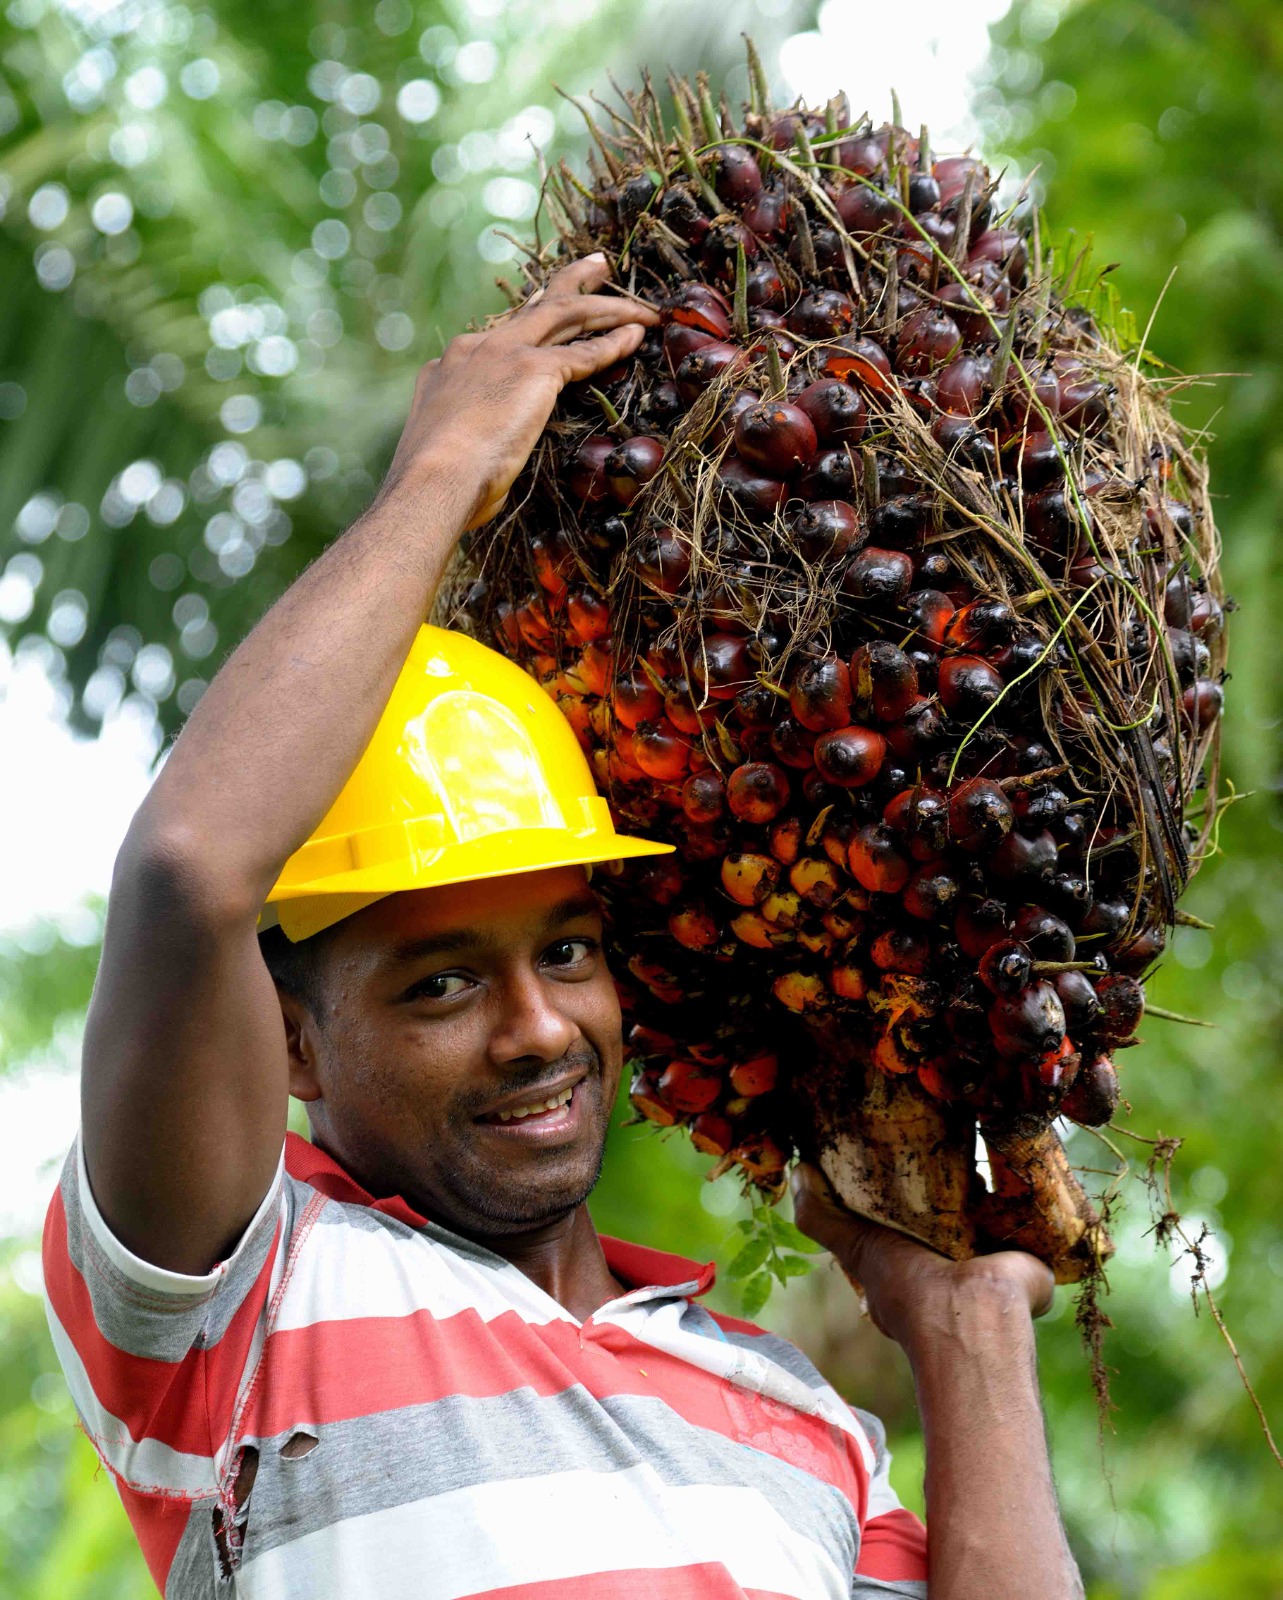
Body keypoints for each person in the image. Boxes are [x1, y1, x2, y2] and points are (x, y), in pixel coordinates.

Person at [42, 255, 1083, 1599]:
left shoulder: (803, 1422)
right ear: (293, 1044)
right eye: (439, 986)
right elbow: (190, 874)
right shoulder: (239, 1305)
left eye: (568, 951)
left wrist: (970, 1330)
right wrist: (443, 480)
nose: (539, 1030)